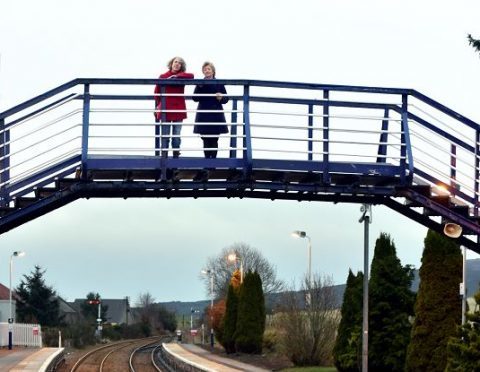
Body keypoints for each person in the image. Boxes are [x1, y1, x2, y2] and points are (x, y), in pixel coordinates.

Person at [154, 57, 194, 158]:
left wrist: (176, 76)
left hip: (178, 109)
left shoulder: (182, 76)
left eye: (180, 63)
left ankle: (176, 156)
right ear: (171, 63)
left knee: (176, 135)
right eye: (175, 62)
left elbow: (191, 76)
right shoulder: (163, 76)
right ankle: (165, 156)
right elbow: (156, 92)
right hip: (165, 109)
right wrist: (157, 107)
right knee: (165, 135)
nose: (177, 64)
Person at [192, 62, 229, 159]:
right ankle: (207, 162)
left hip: (215, 115)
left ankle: (213, 163)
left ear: (213, 70)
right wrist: (199, 88)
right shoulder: (200, 83)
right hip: (203, 115)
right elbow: (194, 98)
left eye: (208, 69)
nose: (206, 71)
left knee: (214, 139)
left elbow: (226, 99)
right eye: (204, 69)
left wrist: (221, 97)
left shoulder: (219, 83)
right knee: (205, 139)